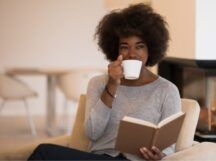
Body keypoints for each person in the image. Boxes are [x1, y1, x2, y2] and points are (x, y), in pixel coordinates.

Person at [28, 3, 181, 161]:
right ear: (116, 50)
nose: (132, 54)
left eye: (139, 46)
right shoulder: (98, 83)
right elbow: (93, 132)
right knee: (43, 152)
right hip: (99, 157)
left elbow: (169, 147)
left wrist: (161, 156)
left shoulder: (167, 90)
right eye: (125, 47)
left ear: (150, 49)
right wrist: (112, 85)